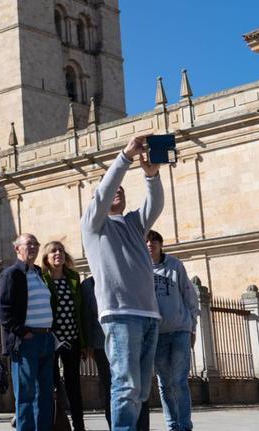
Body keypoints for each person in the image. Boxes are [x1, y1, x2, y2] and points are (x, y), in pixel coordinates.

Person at [80, 135, 163, 431]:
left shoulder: (133, 223)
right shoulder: (93, 225)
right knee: (125, 387)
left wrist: (151, 176)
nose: (118, 191)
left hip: (149, 315)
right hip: (120, 313)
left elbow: (154, 206)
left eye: (122, 189)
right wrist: (124, 158)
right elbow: (103, 193)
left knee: (140, 391)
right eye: (113, 188)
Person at [0, 233, 54, 431]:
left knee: (45, 395)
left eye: (36, 244)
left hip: (46, 339)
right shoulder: (12, 273)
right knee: (26, 395)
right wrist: (22, 332)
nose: (33, 247)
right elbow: (3, 309)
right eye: (28, 244)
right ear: (17, 249)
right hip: (27, 341)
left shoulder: (38, 273)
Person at [80, 275, 149, 431]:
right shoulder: (88, 284)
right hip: (101, 343)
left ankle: (140, 426)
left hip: (129, 338)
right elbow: (86, 315)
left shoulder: (123, 275)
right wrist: (88, 343)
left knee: (136, 385)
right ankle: (115, 426)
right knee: (110, 387)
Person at [148, 229, 199, 431]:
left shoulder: (175, 265)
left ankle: (184, 426)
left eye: (154, 241)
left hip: (179, 331)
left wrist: (192, 328)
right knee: (164, 383)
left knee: (179, 381)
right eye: (146, 241)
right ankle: (172, 425)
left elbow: (190, 296)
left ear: (161, 244)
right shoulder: (140, 268)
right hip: (157, 334)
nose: (150, 245)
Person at [41, 241, 87, 431]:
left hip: (73, 339)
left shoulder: (74, 278)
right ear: (46, 257)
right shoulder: (42, 279)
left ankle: (79, 426)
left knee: (73, 385)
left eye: (60, 250)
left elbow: (81, 312)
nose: (58, 253)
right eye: (53, 251)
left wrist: (84, 343)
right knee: (53, 385)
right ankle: (56, 424)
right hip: (51, 341)